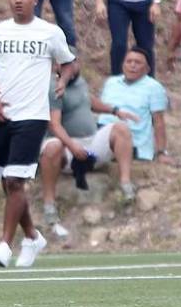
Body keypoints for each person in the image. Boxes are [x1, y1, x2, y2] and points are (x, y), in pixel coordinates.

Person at [0, 0, 77, 269]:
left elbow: (68, 62)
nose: (18, 0)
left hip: (33, 115)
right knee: (8, 183)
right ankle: (32, 236)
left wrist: (63, 80)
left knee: (16, 180)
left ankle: (5, 243)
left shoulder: (49, 32)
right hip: (2, 115)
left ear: (35, 0)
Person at [40, 69, 137, 233]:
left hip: (91, 142)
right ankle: (49, 203)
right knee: (51, 148)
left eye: (74, 62)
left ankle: (126, 183)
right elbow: (54, 125)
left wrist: (114, 110)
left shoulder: (80, 82)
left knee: (121, 129)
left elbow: (87, 100)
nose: (72, 67)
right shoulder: (52, 87)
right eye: (67, 64)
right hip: (66, 147)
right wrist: (71, 145)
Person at [97, 47, 170, 166]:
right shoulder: (111, 82)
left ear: (147, 69)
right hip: (102, 133)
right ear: (123, 65)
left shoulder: (154, 87)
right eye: (129, 61)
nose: (132, 65)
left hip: (132, 141)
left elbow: (158, 121)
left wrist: (161, 152)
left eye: (138, 62)